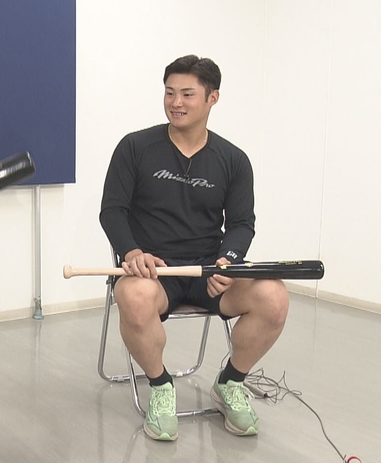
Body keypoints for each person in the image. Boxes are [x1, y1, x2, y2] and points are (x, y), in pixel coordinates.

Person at [99, 55, 288, 441]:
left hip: (208, 271)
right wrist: (131, 253)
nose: (176, 102)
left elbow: (241, 224)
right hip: (154, 271)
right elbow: (112, 211)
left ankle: (231, 382)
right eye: (169, 93)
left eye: (187, 94)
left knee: (274, 296)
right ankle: (160, 386)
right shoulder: (135, 147)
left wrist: (228, 262)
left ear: (212, 98)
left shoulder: (233, 160)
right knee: (132, 296)